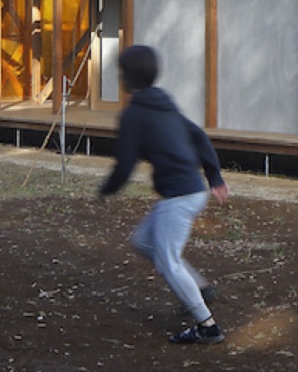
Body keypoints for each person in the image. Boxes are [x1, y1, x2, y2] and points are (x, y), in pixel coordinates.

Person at [98, 45, 229, 346]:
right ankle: (199, 288)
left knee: (168, 261)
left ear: (126, 77)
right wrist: (215, 177)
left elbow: (125, 163)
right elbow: (198, 136)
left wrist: (107, 189)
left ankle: (207, 326)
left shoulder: (134, 114)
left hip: (179, 198)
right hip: (189, 191)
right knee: (143, 241)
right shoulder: (164, 103)